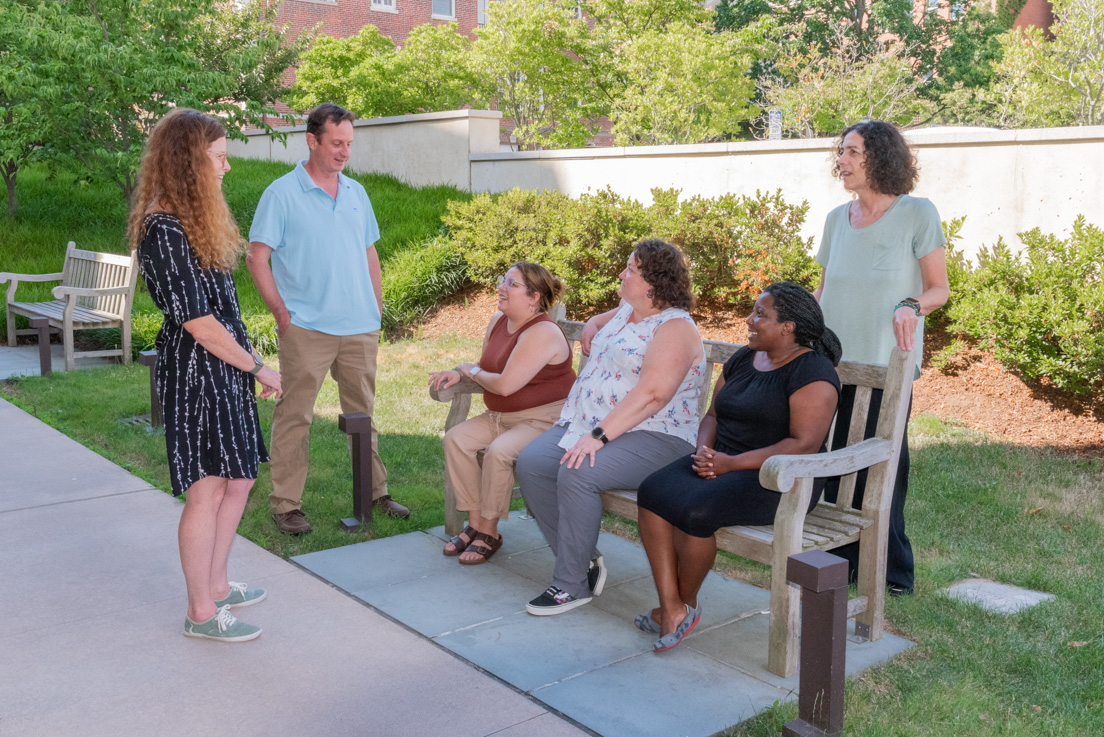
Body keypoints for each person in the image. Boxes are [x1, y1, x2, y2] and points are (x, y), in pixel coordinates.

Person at [129, 108, 282, 642]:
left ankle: (216, 585)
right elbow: (196, 320)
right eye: (219, 157)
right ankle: (200, 612)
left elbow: (222, 311)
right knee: (206, 488)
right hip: (197, 373)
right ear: (190, 160)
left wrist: (246, 363)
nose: (226, 167)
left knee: (238, 477)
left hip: (226, 368)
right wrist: (259, 364)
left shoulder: (194, 220)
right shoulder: (164, 228)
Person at [635, 283, 841, 652]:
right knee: (652, 492)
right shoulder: (745, 358)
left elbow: (803, 444)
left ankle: (682, 605)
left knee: (695, 511)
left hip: (781, 477)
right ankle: (673, 606)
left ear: (788, 327)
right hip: (721, 459)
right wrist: (704, 450)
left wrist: (729, 465)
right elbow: (713, 415)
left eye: (761, 314)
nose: (750, 319)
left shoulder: (813, 372)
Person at [516, 239, 706, 616]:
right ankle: (584, 560)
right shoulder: (628, 310)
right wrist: (593, 322)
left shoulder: (675, 329)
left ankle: (571, 585)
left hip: (656, 435)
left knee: (577, 471)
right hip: (589, 421)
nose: (622, 273)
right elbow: (609, 319)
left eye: (631, 270)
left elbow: (653, 394)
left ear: (653, 283)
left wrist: (599, 436)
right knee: (532, 463)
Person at [247, 102, 409, 535]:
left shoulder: (357, 193)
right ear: (312, 140)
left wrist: (375, 310)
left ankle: (376, 492)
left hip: (358, 326)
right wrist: (282, 315)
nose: (344, 152)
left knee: (363, 415)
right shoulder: (281, 194)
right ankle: (286, 504)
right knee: (295, 415)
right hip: (306, 328)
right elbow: (256, 257)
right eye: (336, 143)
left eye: (349, 144)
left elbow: (369, 252)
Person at [814, 119, 950, 596]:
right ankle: (840, 559)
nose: (842, 161)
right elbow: (825, 289)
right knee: (832, 460)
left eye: (852, 152)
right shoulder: (836, 219)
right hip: (831, 362)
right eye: (842, 152)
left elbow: (938, 289)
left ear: (880, 159)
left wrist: (912, 305)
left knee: (883, 467)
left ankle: (893, 572)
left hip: (887, 365)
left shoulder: (917, 213)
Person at [429, 263, 576, 564]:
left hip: (541, 420)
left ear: (534, 297)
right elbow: (490, 369)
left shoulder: (543, 332)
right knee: (456, 440)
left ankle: (490, 532)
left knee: (499, 452)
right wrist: (461, 372)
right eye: (503, 281)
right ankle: (475, 524)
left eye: (512, 284)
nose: (502, 288)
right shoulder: (499, 320)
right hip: (499, 417)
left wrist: (474, 371)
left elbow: (506, 384)